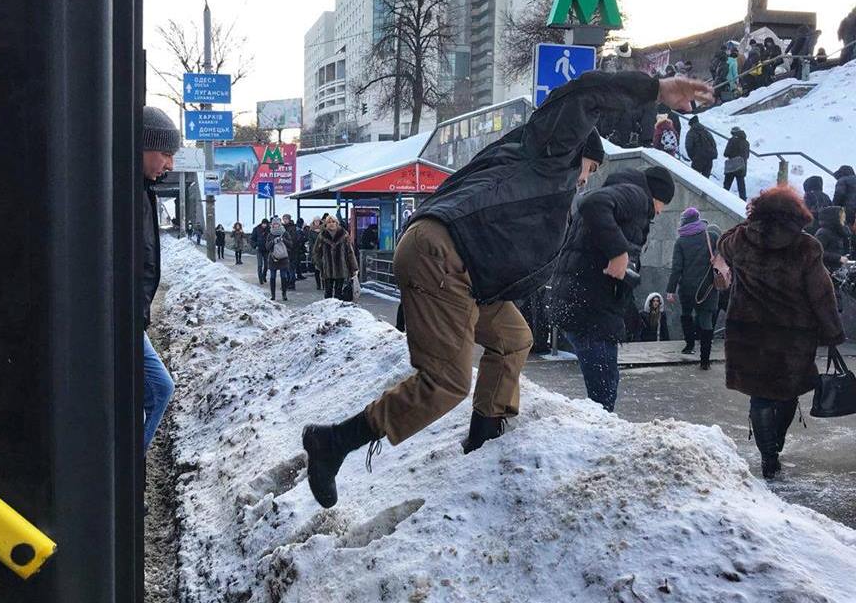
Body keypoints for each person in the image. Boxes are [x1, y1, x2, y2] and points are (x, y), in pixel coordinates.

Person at [300, 71, 712, 509]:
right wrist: (656, 91)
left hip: (468, 273)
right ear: (577, 153)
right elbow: (581, 96)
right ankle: (334, 442)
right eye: (589, 169)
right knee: (447, 381)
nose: (586, 180)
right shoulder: (547, 151)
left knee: (514, 337)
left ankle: (484, 436)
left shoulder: (540, 181)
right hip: (444, 257)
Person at [718, 186, 844, 479]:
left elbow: (722, 244)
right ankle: (776, 443)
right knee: (787, 394)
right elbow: (822, 294)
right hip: (792, 337)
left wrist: (748, 223)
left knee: (759, 396)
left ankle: (768, 455)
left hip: (748, 335)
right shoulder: (807, 246)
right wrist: (833, 333)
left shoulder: (740, 239)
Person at [549, 166, 675, 412]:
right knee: (603, 394)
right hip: (591, 310)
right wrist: (618, 252)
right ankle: (596, 442)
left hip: (585, 303)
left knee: (604, 387)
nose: (659, 212)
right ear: (656, 195)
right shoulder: (637, 196)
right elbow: (593, 204)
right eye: (663, 204)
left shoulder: (624, 192)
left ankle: (596, 435)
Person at [140, 106, 179, 452]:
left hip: (131, 323)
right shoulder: (127, 193)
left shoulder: (141, 190)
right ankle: (128, 469)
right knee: (160, 389)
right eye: (165, 153)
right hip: (122, 324)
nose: (170, 164)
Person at [666, 208, 720, 369]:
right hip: (708, 287)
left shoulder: (681, 241)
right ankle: (705, 361)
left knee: (686, 314)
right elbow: (724, 255)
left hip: (688, 288)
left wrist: (670, 290)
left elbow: (677, 268)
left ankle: (689, 345)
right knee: (706, 320)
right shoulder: (711, 236)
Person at [312, 215, 358, 300]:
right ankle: (328, 310)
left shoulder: (344, 235)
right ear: (326, 224)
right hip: (327, 268)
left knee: (338, 292)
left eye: (333, 222)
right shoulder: (322, 235)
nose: (331, 224)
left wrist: (353, 268)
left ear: (337, 223)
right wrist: (320, 264)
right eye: (329, 222)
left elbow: (350, 252)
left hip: (341, 267)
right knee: (328, 292)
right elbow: (316, 251)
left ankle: (337, 311)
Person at [815, 206, 852, 309]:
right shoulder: (823, 232)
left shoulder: (838, 232)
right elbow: (816, 252)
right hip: (829, 273)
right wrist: (838, 258)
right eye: (841, 217)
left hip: (838, 272)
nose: (844, 219)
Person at [265, 216, 292, 302]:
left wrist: (283, 240)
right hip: (273, 258)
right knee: (272, 277)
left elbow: (291, 244)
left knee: (283, 276)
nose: (276, 226)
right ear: (272, 225)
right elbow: (267, 247)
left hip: (283, 258)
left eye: (277, 224)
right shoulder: (270, 234)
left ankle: (284, 294)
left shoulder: (285, 233)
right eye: (274, 224)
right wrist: (273, 242)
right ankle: (273, 295)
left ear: (280, 224)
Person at [723, 127, 750, 200]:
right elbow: (747, 156)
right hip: (742, 166)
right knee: (741, 185)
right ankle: (743, 200)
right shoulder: (746, 142)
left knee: (727, 185)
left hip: (732, 166)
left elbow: (726, 153)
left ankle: (723, 198)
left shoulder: (732, 140)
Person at [250, 218, 270, 285]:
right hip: (259, 249)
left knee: (266, 265)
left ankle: (264, 275)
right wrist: (255, 245)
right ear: (261, 223)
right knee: (260, 265)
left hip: (266, 249)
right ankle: (260, 279)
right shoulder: (256, 229)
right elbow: (252, 239)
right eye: (263, 224)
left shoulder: (269, 230)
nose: (264, 225)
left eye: (266, 224)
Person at [306, 217, 323, 290]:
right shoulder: (311, 231)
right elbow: (311, 242)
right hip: (315, 252)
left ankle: (324, 284)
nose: (317, 222)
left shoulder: (323, 230)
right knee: (316, 269)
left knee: (323, 269)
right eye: (315, 221)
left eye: (318, 221)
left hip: (323, 252)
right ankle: (318, 285)